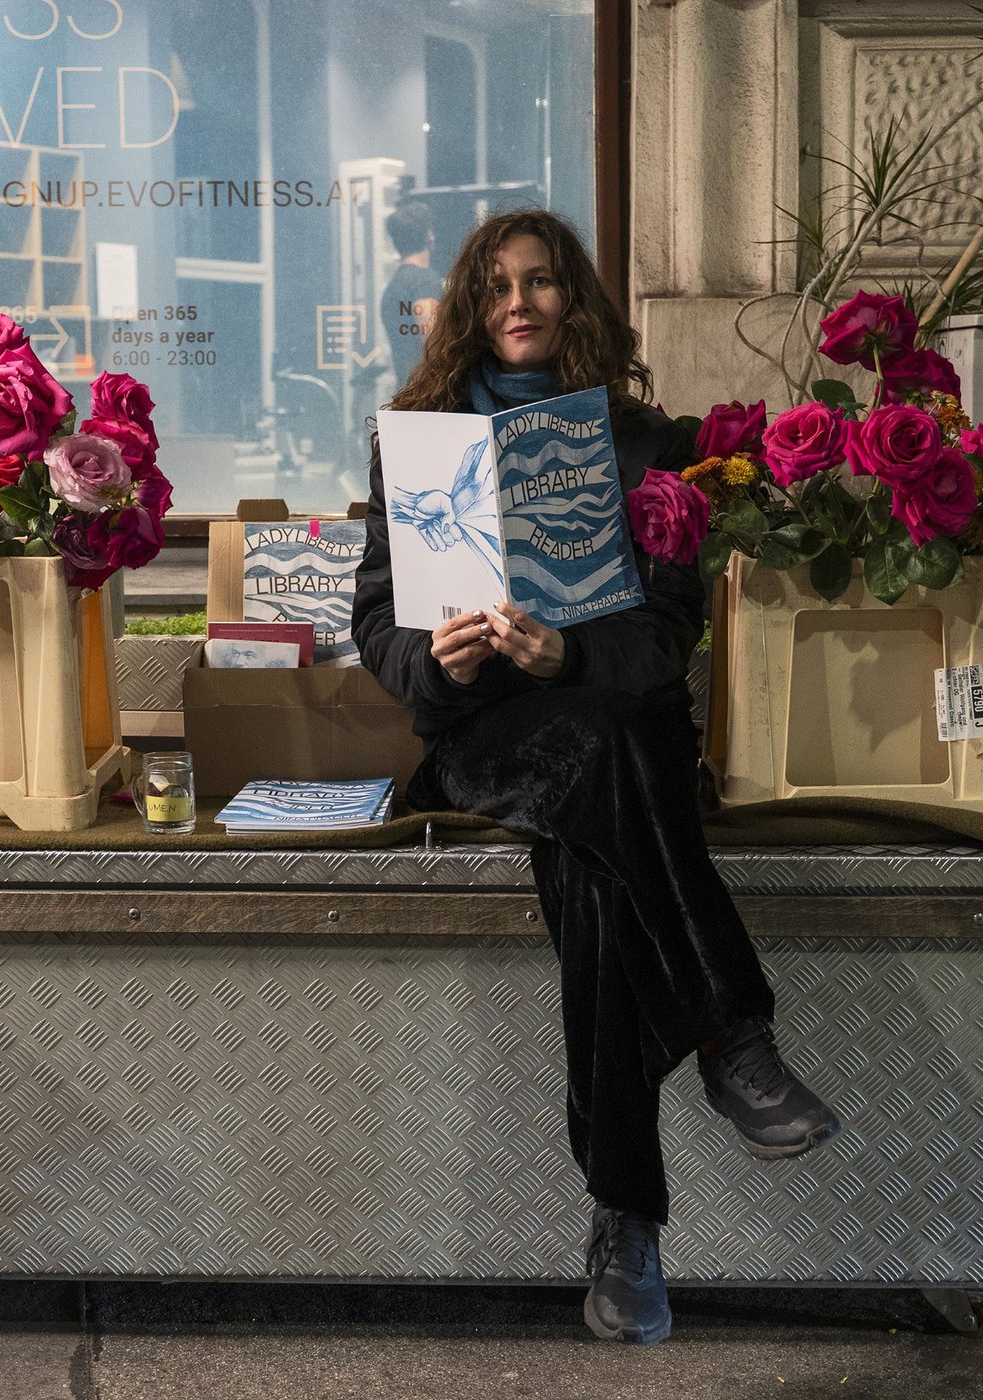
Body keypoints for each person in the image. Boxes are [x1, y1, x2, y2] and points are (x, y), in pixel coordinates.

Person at [352, 208, 840, 1346]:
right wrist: (438, 654)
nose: (518, 303)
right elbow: (373, 614)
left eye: (541, 282)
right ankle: (732, 1035)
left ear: (575, 300)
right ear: (471, 308)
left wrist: (570, 650)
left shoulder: (644, 439)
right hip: (492, 728)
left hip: (611, 723)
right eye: (496, 287)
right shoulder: (415, 439)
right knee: (602, 765)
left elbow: (670, 631)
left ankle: (627, 1219)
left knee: (592, 869)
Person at [380, 201, 443, 388]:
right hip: (430, 399)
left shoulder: (393, 287)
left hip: (408, 394)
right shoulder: (424, 280)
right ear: (429, 236)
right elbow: (434, 344)